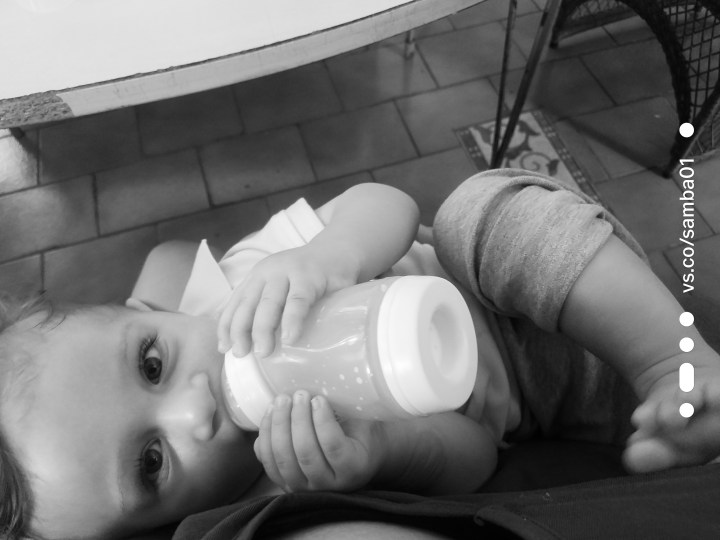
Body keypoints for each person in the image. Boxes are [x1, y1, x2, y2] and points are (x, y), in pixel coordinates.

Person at [1, 170, 720, 540]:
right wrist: (379, 452)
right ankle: (680, 420)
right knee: (654, 434)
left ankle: (670, 359)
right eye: (151, 463)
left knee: (480, 209)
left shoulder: (251, 278)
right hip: (540, 394)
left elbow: (389, 201)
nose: (193, 407)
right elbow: (477, 454)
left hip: (521, 284)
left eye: (150, 364)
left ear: (143, 314)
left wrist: (327, 256)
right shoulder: (285, 487)